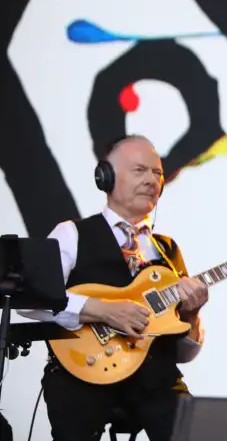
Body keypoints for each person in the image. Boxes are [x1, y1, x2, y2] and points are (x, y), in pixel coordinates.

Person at [17, 135, 209, 441]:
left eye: (157, 173)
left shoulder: (168, 249)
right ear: (105, 177)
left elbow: (182, 353)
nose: (151, 180)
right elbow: (28, 297)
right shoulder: (71, 234)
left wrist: (192, 316)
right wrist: (101, 310)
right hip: (81, 374)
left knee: (191, 430)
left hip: (155, 379)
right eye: (139, 171)